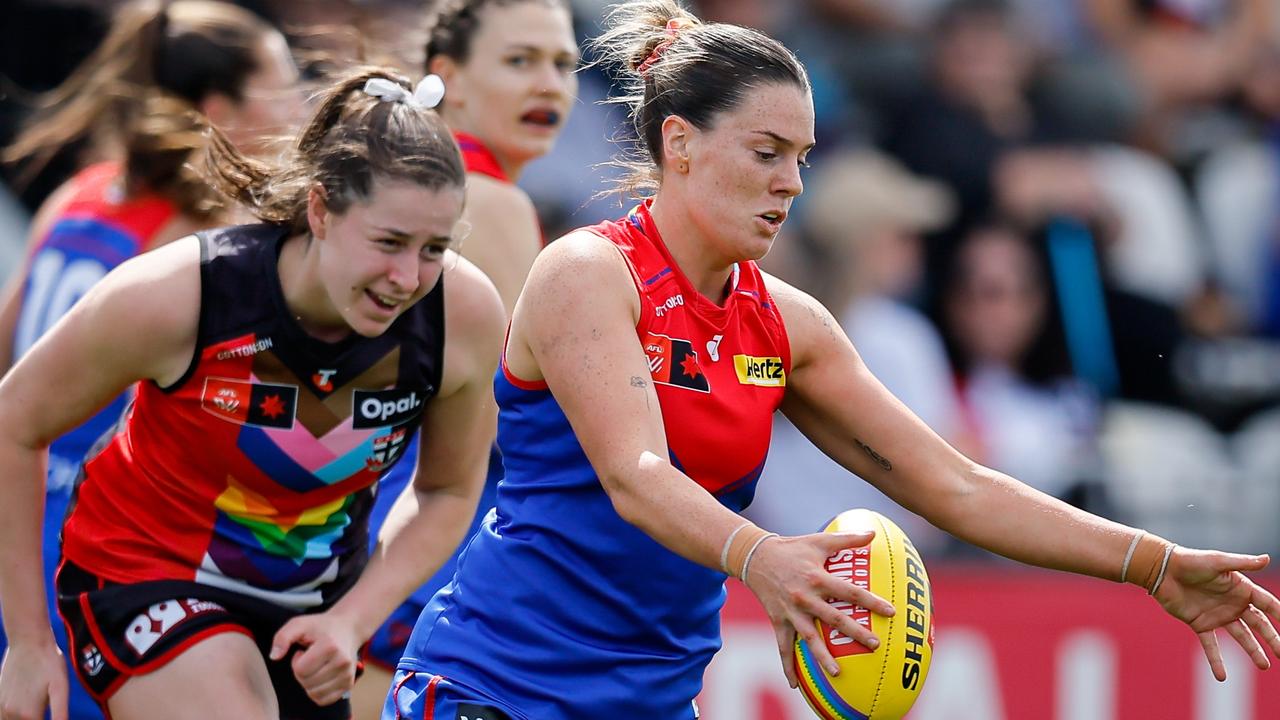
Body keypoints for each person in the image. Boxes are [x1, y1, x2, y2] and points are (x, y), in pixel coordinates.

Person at [380, 2, 1280, 718]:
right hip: (492, 690)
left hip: (652, 703)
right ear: (679, 143)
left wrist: (1152, 563)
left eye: (802, 159)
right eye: (767, 153)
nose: (791, 185)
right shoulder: (587, 272)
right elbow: (636, 475)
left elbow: (956, 486)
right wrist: (762, 555)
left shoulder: (788, 326)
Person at [0, 67, 505, 720]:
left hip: (311, 608)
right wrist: (28, 642)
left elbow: (447, 490)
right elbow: (14, 420)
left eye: (435, 248)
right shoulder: (184, 293)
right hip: (145, 569)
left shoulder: (459, 316)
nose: (407, 277)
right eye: (388, 243)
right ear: (320, 210)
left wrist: (353, 621)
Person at [0, 3, 303, 717]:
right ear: (220, 109)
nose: (300, 108)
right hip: (95, 542)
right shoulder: (197, 242)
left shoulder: (77, 196)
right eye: (285, 85)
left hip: (15, 520)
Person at [351, 0, 578, 713]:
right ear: (448, 75)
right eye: (521, 61)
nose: (550, 85)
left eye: (564, 64)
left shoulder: (389, 187)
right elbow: (556, 411)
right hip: (427, 544)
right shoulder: (490, 204)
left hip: (347, 525)